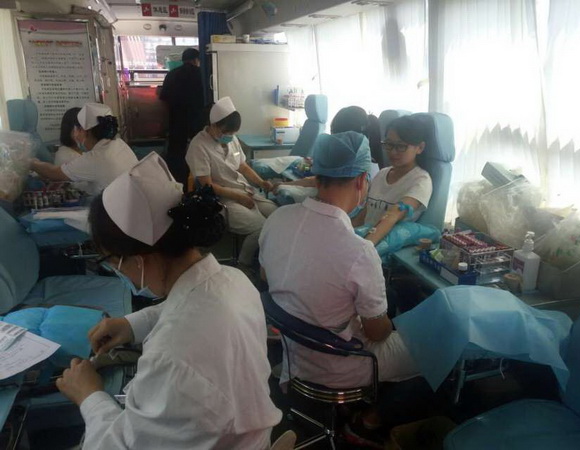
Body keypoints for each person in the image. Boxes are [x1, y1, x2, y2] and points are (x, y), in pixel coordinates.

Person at [55, 153, 281, 449]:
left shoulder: (171, 356)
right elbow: (188, 307)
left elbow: (120, 445)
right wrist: (130, 324)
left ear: (139, 259)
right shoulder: (233, 280)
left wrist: (88, 395)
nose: (117, 271)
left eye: (112, 262)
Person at [259, 132, 419, 444]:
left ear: (317, 176)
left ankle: (351, 409)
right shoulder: (359, 251)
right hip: (340, 362)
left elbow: (267, 275)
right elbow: (377, 334)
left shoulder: (278, 219)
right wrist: (386, 323)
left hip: (294, 351)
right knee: (428, 353)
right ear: (362, 181)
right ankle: (368, 422)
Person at [186, 96, 277, 268]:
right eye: (226, 132)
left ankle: (267, 258)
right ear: (213, 125)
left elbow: (242, 166)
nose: (230, 136)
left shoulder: (231, 138)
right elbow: (207, 185)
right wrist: (238, 197)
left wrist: (261, 182)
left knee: (276, 215)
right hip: (222, 199)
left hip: (244, 190)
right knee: (261, 228)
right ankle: (244, 264)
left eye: (232, 133)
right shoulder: (199, 145)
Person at [352, 114, 433, 246]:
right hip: (364, 238)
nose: (393, 152)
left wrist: (365, 247)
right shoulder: (382, 174)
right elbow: (364, 214)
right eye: (389, 144)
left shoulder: (421, 180)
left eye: (401, 146)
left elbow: (393, 215)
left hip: (385, 246)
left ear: (420, 148)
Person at [30, 103, 138, 196]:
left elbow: (54, 173)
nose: (76, 134)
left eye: (78, 129)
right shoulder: (119, 144)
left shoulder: (96, 158)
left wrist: (31, 163)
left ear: (86, 131)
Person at [160, 48, 205, 185]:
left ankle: (176, 182)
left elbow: (163, 100)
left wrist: (166, 123)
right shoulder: (201, 74)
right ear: (196, 60)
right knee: (197, 150)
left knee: (176, 152)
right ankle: (195, 181)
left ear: (183, 60)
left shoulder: (171, 75)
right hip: (196, 120)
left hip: (176, 120)